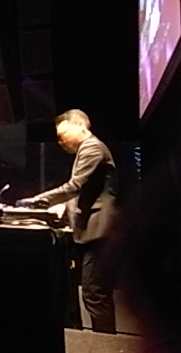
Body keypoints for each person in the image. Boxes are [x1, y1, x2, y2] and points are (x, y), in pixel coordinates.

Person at [17, 109, 118, 333]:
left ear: (80, 125)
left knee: (95, 294)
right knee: (90, 292)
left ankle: (106, 346)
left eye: (63, 134)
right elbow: (84, 190)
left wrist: (36, 200)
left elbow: (74, 186)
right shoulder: (87, 149)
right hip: (90, 231)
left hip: (99, 231)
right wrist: (64, 206)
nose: (60, 141)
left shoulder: (92, 148)